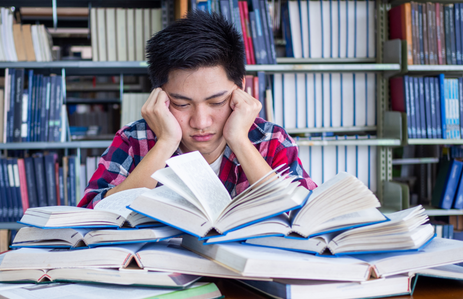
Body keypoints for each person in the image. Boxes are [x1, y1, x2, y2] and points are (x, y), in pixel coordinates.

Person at [78, 10, 316, 208]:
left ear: (240, 87)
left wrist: (240, 141)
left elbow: (306, 219)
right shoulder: (134, 139)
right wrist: (165, 143)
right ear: (159, 95)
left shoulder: (271, 140)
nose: (201, 122)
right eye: (181, 104)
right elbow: (91, 215)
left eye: (217, 102)